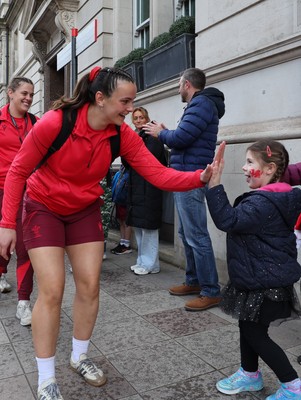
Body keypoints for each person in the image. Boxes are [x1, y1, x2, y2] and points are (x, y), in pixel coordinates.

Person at [0, 66, 225, 400]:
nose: (130, 109)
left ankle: (79, 356)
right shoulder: (54, 122)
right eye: (125, 101)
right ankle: (46, 378)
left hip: (84, 208)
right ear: (100, 98)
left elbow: (159, 174)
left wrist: (200, 178)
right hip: (43, 206)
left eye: (133, 101)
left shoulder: (120, 133)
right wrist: (6, 224)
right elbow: (18, 170)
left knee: (90, 286)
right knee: (52, 289)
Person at [203, 139, 301, 399]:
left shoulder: (261, 203)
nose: (244, 168)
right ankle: (249, 374)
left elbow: (228, 219)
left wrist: (214, 183)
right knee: (247, 327)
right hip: (260, 278)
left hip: (265, 285)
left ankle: (293, 386)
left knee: (256, 334)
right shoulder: (280, 194)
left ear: (269, 169)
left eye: (249, 162)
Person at [144, 67, 225, 311]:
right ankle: (193, 281)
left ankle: (211, 290)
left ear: (187, 84)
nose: (179, 88)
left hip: (191, 177)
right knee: (186, 235)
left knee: (196, 235)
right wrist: (169, 132)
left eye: (180, 84)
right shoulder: (199, 105)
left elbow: (181, 139)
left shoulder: (201, 104)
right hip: (184, 175)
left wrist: (162, 133)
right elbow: (183, 137)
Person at [0, 76, 38, 326]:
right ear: (10, 93)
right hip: (2, 189)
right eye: (24, 93)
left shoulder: (36, 122)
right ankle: (2, 273)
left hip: (29, 193)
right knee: (3, 238)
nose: (28, 98)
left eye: (31, 95)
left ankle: (23, 302)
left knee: (25, 245)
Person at [127, 106, 167, 275]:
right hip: (137, 186)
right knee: (139, 226)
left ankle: (150, 264)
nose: (138, 120)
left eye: (141, 117)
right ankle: (143, 261)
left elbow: (147, 160)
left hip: (149, 187)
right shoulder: (137, 136)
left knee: (148, 228)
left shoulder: (152, 136)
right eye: (135, 118)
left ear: (146, 118)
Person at [110, 161, 133, 255]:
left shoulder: (129, 170)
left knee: (126, 221)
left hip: (125, 199)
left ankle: (126, 244)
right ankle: (122, 242)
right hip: (119, 198)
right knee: (121, 221)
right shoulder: (122, 170)